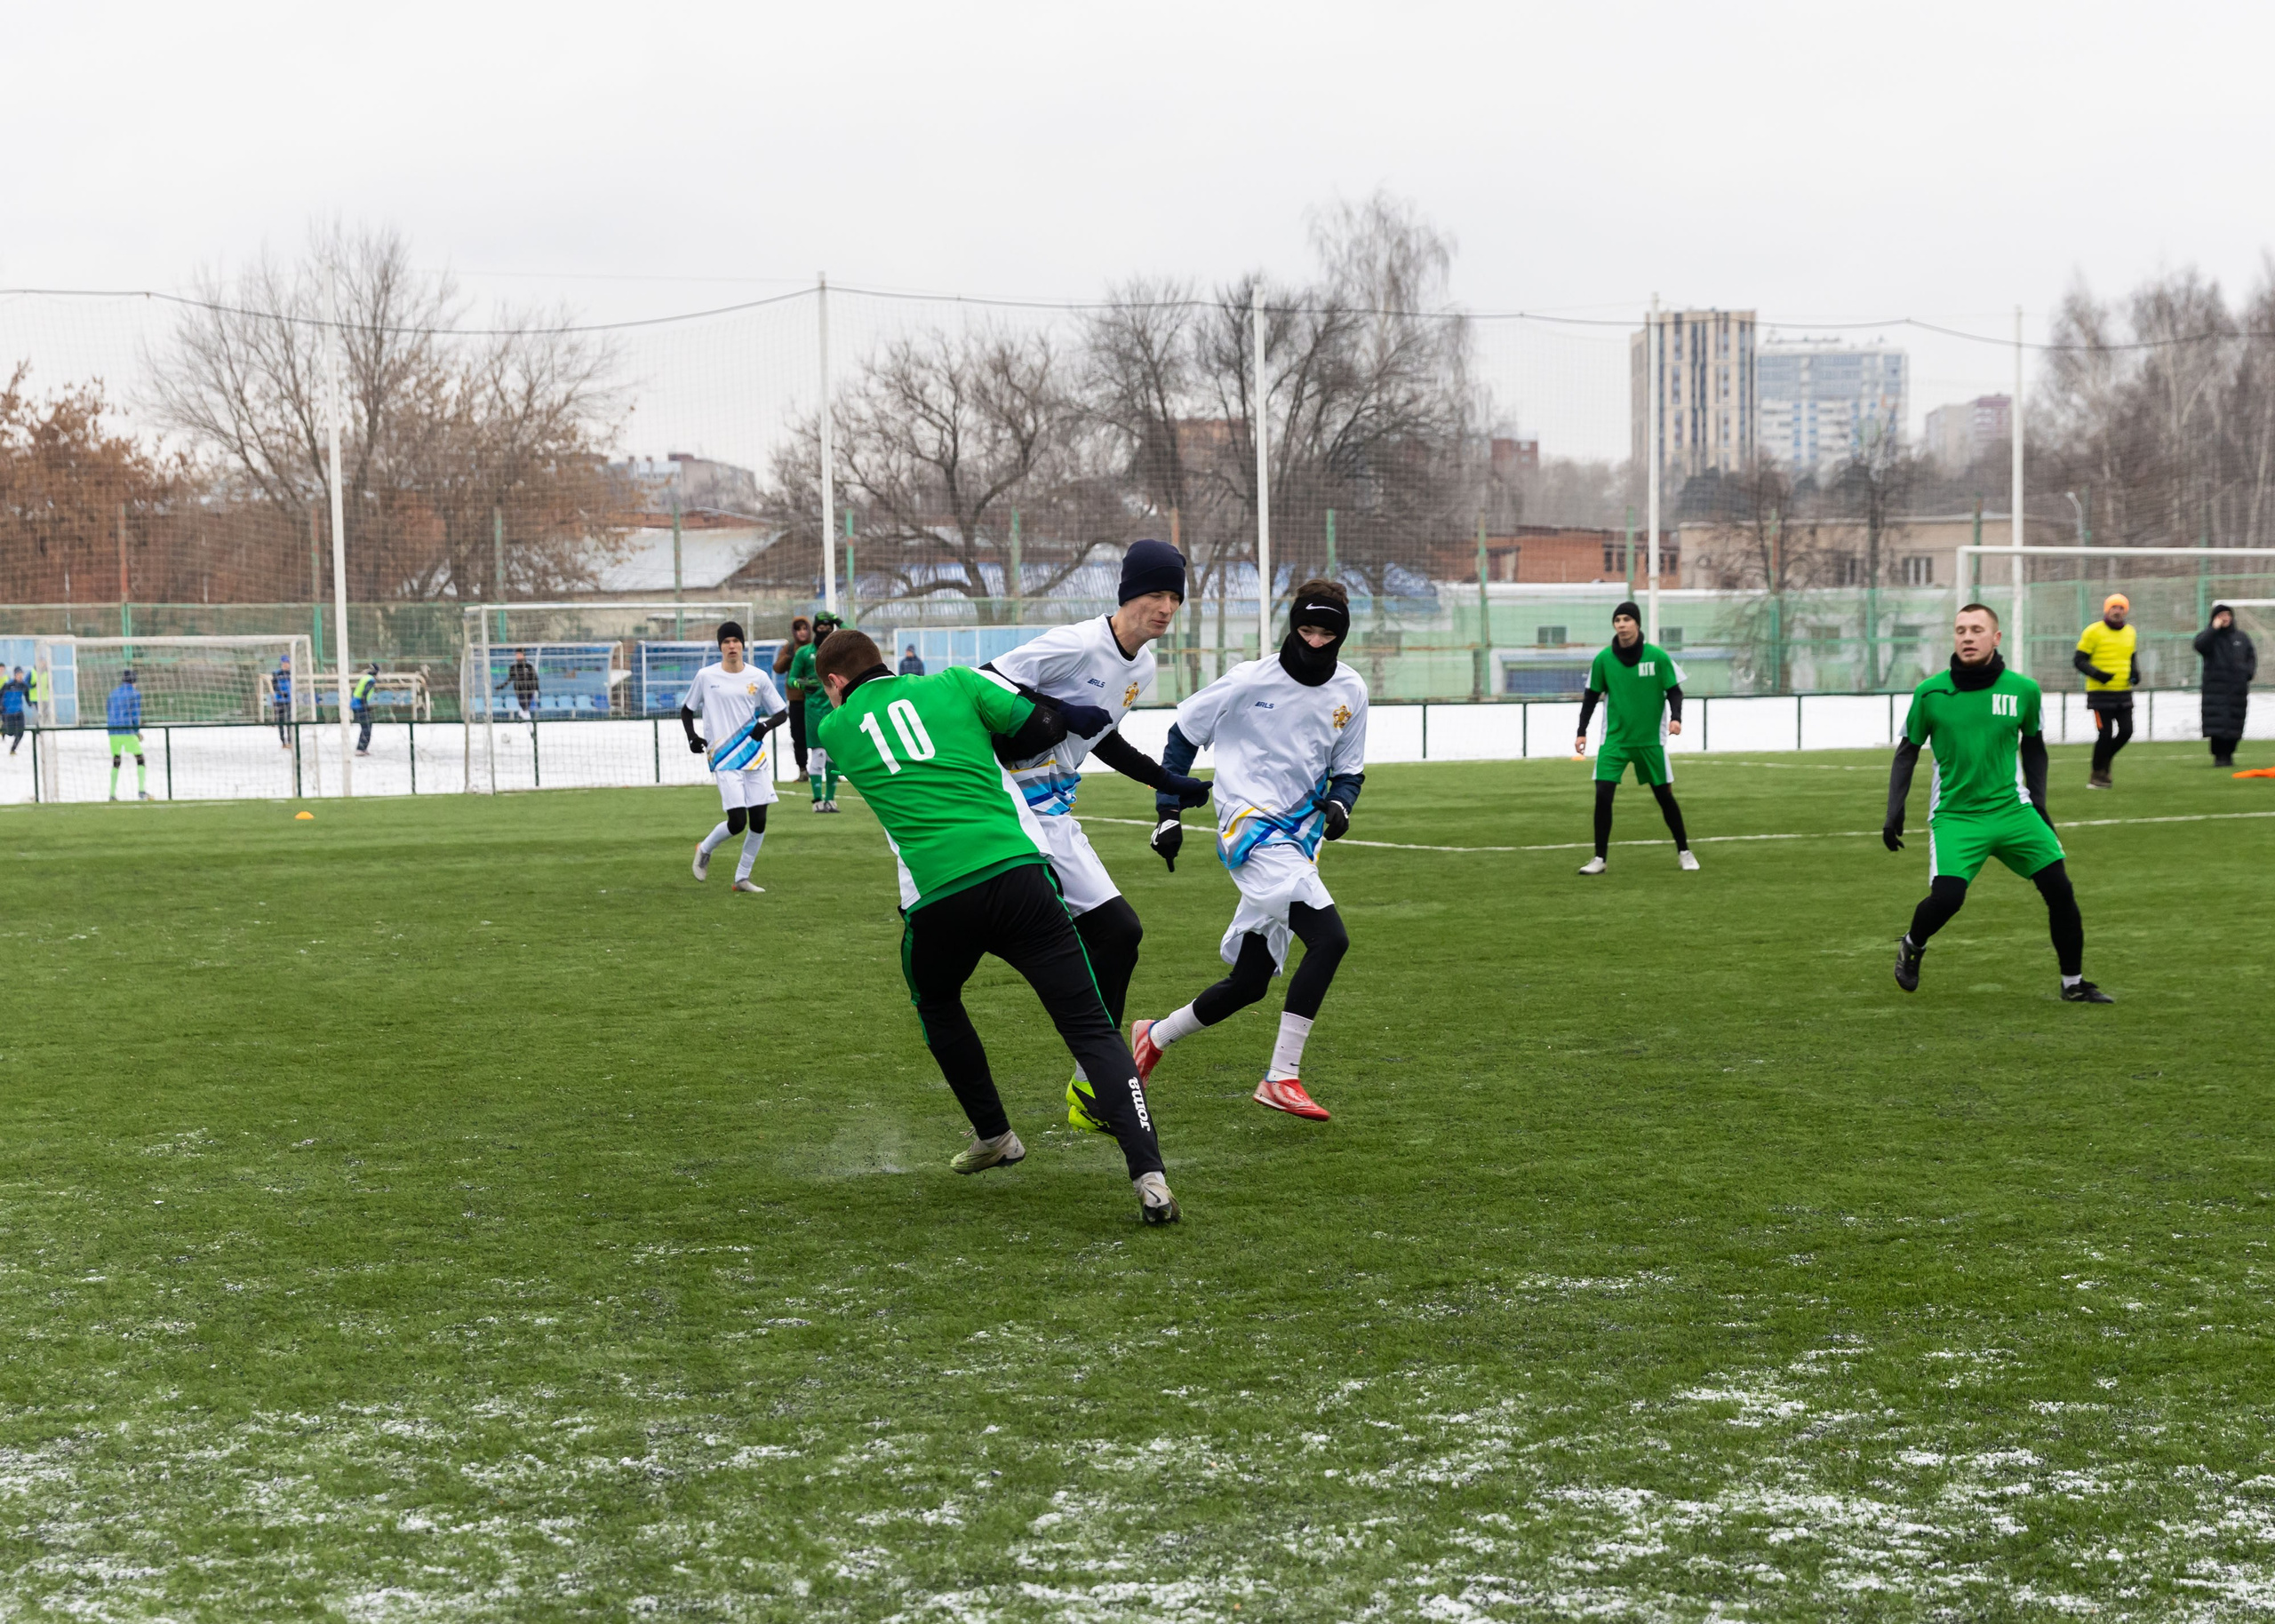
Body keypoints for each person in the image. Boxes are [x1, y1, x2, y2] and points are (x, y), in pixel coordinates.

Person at [811, 626, 1179, 1224]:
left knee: (936, 1001)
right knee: (1091, 1029)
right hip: (1018, 875)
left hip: (938, 897)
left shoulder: (834, 729)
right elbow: (1039, 727)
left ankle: (995, 1134)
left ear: (834, 682)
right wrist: (1059, 713)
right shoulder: (957, 682)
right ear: (883, 660)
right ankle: (1150, 1177)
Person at [981, 538, 1212, 1134]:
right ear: (1128, 593)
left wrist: (1167, 782)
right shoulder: (1076, 643)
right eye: (1155, 593)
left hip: (1055, 811)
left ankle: (1091, 1083)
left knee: (1120, 932)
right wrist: (1056, 713)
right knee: (1027, 932)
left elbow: (1102, 737)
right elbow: (980, 683)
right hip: (1007, 803)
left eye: (1174, 597)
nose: (1165, 607)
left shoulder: (1143, 666)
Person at [1129, 580, 1368, 1122]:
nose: (1315, 640)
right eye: (1306, 628)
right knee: (1329, 939)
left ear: (1341, 635)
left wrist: (1340, 805)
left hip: (1300, 840)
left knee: (1251, 981)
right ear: (1292, 626)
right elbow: (1182, 734)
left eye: (1327, 633)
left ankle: (1154, 1036)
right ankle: (1282, 1077)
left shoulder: (1351, 690)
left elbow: (1349, 771)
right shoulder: (1248, 679)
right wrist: (1168, 812)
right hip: (1251, 828)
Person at [1885, 601, 2111, 1003]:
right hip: (1956, 816)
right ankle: (1912, 944)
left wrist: (2039, 804)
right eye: (1960, 630)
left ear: (1996, 637)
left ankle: (2073, 984)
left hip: (2012, 810)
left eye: (1977, 630)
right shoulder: (1930, 692)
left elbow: (2035, 748)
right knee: (1948, 898)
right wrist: (1894, 810)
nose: (1967, 637)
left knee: (2060, 890)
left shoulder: (2024, 690)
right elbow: (1907, 752)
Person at [1573, 601, 1697, 874]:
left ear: (1637, 624)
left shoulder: (1657, 657)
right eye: (1617, 620)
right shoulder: (1603, 659)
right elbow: (1591, 697)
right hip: (1615, 741)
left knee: (1664, 797)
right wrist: (1581, 732)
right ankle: (1599, 859)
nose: (1622, 624)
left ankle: (1685, 852)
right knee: (1602, 795)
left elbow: (1674, 691)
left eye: (1627, 619)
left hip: (1650, 741)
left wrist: (1676, 717)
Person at [682, 620, 786, 895]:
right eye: (726, 641)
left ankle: (742, 878)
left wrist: (765, 726)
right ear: (720, 647)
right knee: (738, 822)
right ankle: (705, 848)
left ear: (742, 645)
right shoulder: (706, 676)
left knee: (759, 821)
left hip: (754, 756)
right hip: (724, 757)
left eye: (736, 641)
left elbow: (781, 712)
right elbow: (687, 709)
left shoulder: (758, 677)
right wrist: (692, 737)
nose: (732, 646)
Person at [2075, 593, 2138, 789]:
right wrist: (2097, 674)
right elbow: (2079, 660)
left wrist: (2135, 673)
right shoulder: (2093, 631)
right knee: (2105, 734)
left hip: (2123, 692)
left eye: (2121, 608)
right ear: (2107, 610)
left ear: (2125, 611)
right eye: (2114, 607)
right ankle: (2097, 774)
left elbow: (2132, 657)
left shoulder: (2130, 632)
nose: (2117, 611)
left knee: (2126, 731)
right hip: (2099, 694)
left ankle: (2104, 760)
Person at [786, 611, 844, 810]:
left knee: (834, 756)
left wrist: (838, 620)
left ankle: (831, 799)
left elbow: (855, 637)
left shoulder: (838, 652)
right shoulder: (804, 653)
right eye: (821, 627)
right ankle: (817, 800)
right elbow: (791, 679)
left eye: (829, 627)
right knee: (819, 755)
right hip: (813, 710)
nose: (825, 631)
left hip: (835, 708)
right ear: (815, 629)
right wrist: (802, 684)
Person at [2195, 603, 2256, 768]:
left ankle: (2229, 755)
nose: (2225, 618)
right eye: (2221, 615)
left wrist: (2247, 674)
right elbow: (2199, 646)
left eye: (2227, 614)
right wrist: (2213, 629)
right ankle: (2219, 757)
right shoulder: (2210, 637)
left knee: (2234, 724)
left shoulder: (2241, 637)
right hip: (2215, 690)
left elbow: (2251, 656)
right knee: (2218, 724)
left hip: (2237, 690)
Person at [774, 617, 814, 776]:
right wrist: (790, 656)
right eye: (798, 629)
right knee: (798, 735)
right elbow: (777, 668)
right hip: (797, 700)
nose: (802, 632)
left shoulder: (816, 647)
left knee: (821, 734)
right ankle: (802, 770)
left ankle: (826, 769)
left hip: (816, 699)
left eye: (804, 628)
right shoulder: (789, 648)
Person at [107, 669, 150, 801]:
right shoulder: (135, 694)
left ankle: (112, 794)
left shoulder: (113, 693)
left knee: (116, 760)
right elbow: (135, 714)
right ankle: (141, 791)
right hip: (126, 730)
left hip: (112, 731)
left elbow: (108, 710)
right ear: (134, 681)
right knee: (140, 758)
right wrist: (136, 731)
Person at [499, 649, 540, 723]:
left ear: (523, 655)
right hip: (519, 689)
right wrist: (502, 686)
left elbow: (535, 677)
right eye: (517, 655)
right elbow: (510, 678)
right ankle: (529, 725)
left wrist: (537, 688)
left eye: (519, 654)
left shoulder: (529, 665)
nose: (518, 656)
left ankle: (522, 716)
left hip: (529, 689)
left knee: (526, 707)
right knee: (524, 706)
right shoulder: (513, 666)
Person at [350, 661, 379, 755]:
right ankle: (361, 749)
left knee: (365, 726)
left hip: (355, 704)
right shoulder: (371, 680)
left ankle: (362, 748)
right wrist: (366, 707)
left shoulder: (365, 678)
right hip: (360, 705)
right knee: (367, 727)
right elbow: (364, 694)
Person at [1, 666, 26, 755]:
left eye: (21, 674)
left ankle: (13, 749)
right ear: (15, 675)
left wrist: (30, 702)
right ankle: (3, 729)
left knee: (20, 732)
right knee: (10, 732)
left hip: (19, 712)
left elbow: (27, 693)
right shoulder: (8, 685)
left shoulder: (23, 685)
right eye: (18, 674)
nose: (20, 676)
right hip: (8, 712)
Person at [273, 652, 293, 748]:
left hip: (289, 701)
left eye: (287, 662)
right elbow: (274, 686)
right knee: (280, 722)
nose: (286, 664)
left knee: (289, 721)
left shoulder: (292, 674)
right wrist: (281, 693)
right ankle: (283, 742)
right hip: (279, 701)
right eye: (284, 663)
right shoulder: (277, 673)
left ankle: (290, 741)